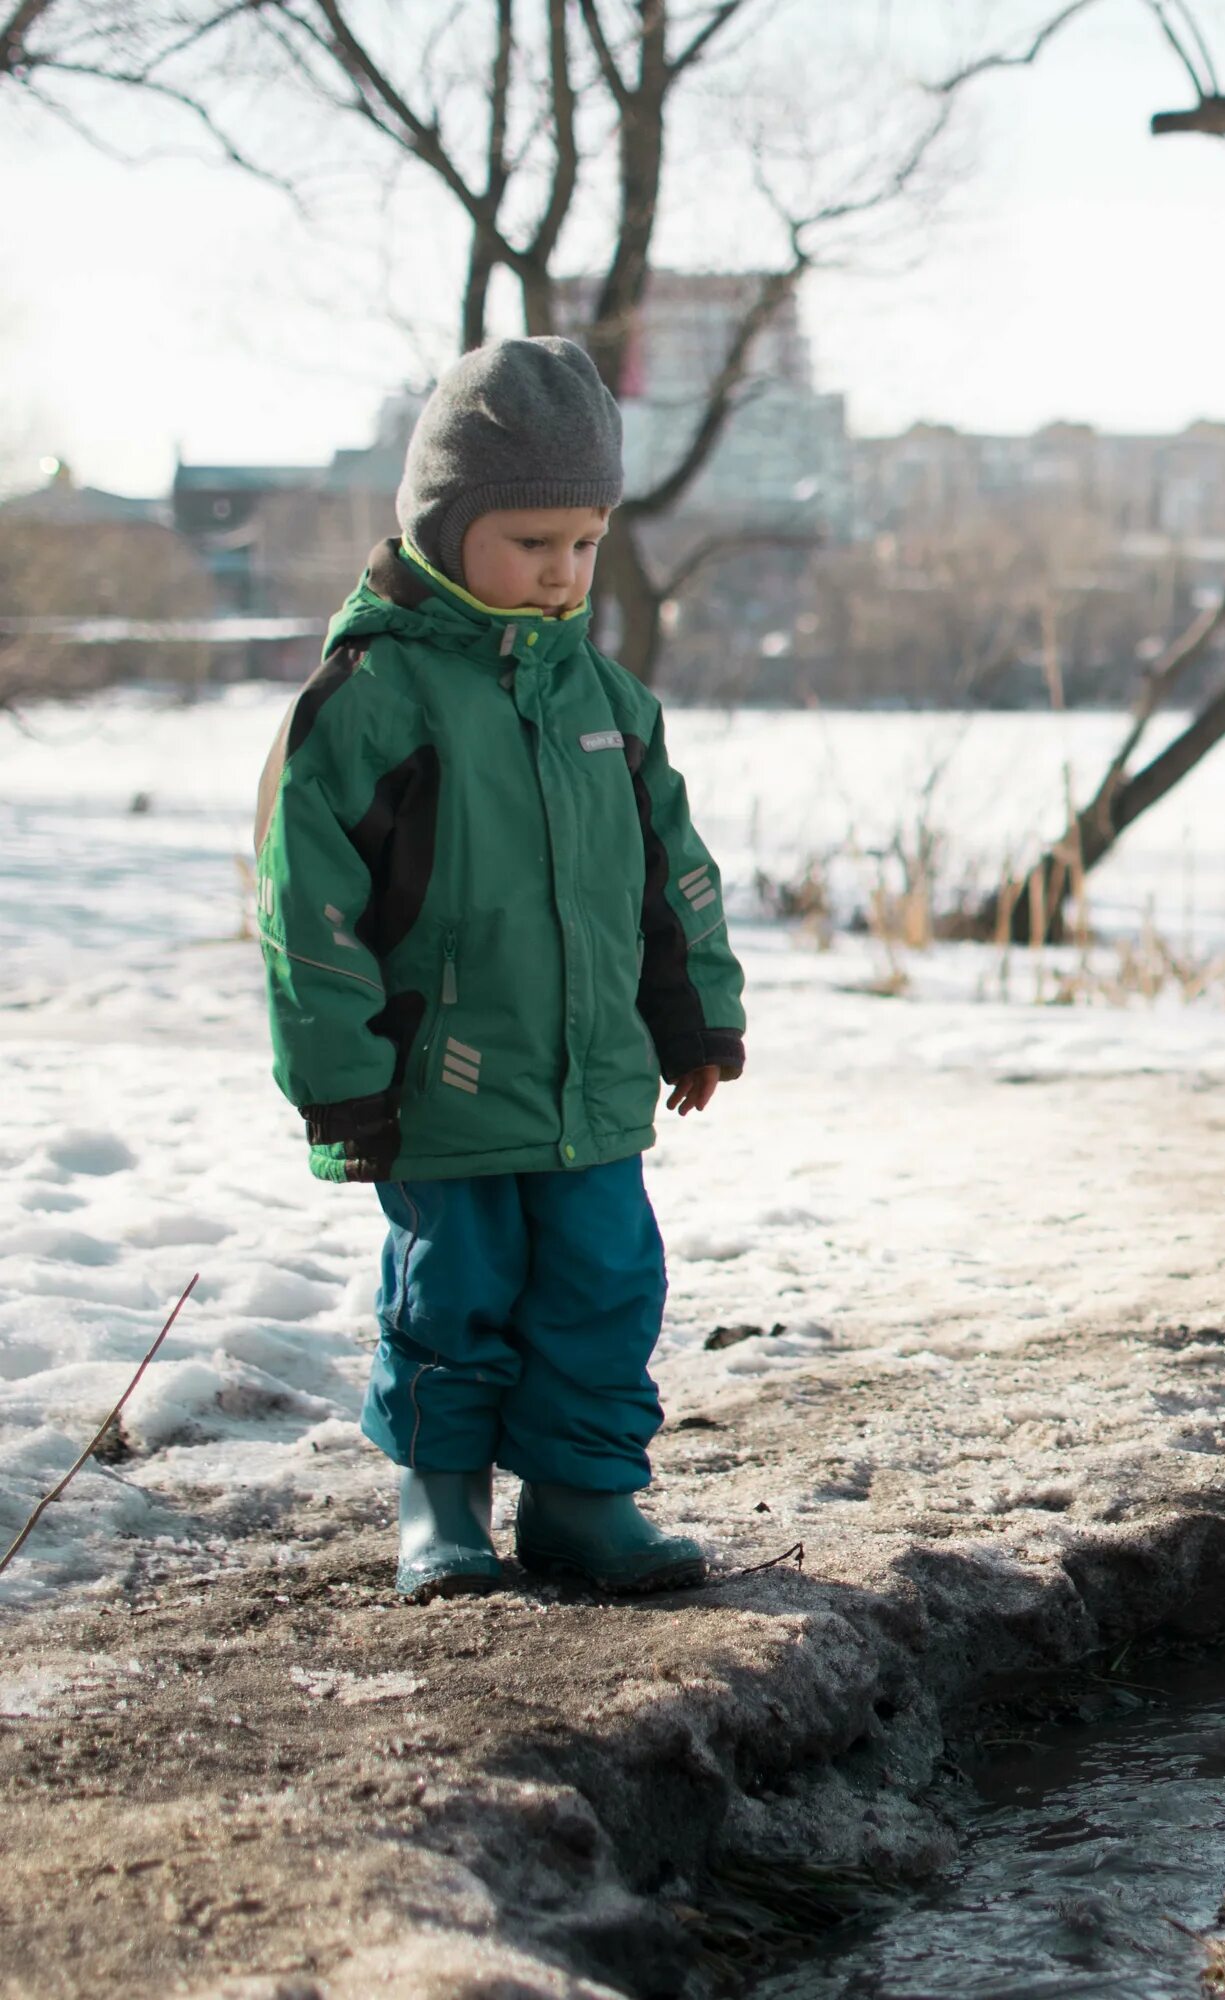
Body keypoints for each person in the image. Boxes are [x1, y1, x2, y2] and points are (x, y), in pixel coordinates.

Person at [251, 336, 746, 1602]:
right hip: (440, 1081)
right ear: (443, 526)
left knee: (605, 1281)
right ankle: (443, 1505)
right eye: (531, 542)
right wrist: (340, 1078)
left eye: (583, 543)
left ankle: (586, 1500)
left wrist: (694, 1018)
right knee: (454, 1290)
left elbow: (669, 875)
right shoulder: (377, 695)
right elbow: (305, 905)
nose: (562, 571)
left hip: (589, 1085)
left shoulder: (610, 701)